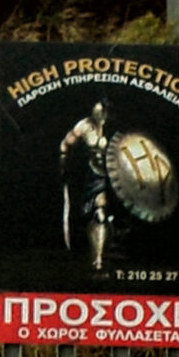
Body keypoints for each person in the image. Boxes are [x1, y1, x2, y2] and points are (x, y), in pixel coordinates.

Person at [60, 102, 116, 273]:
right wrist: (63, 164)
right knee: (90, 214)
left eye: (101, 112)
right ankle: (88, 256)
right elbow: (65, 144)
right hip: (88, 175)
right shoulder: (84, 126)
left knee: (101, 213)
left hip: (111, 175)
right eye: (96, 111)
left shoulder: (114, 127)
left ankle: (98, 260)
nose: (98, 115)